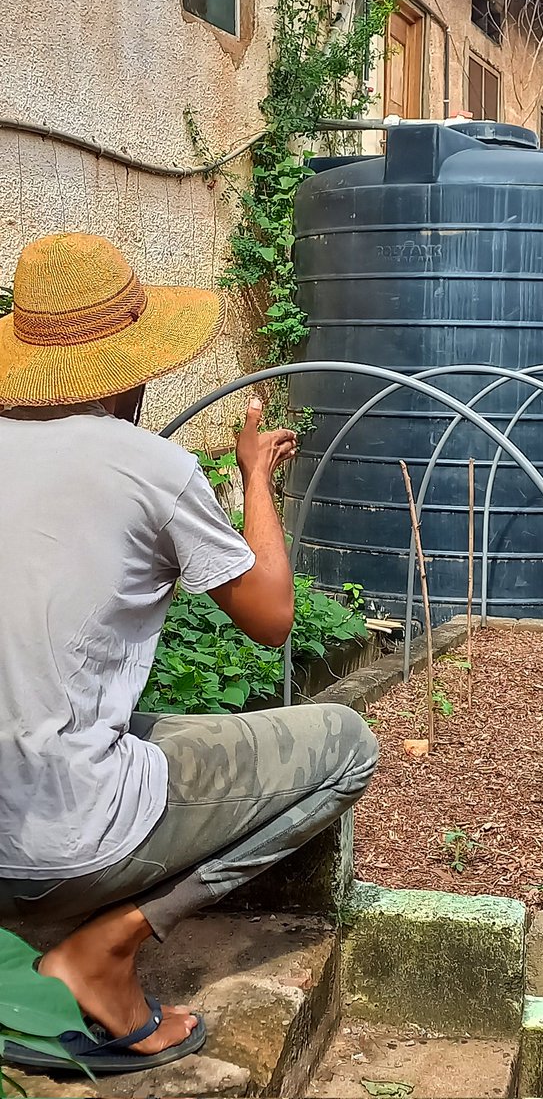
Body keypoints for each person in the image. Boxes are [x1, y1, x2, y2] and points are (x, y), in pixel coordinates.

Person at [0, 232, 378, 1074]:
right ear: (130, 366)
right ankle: (104, 952)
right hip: (64, 844)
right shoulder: (149, 466)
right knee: (346, 745)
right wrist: (255, 479)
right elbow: (272, 616)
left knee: (121, 718)